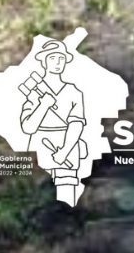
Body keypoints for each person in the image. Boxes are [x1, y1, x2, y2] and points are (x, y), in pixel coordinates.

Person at [20, 38, 86, 206]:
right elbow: (28, 126)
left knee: (66, 194)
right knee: (40, 197)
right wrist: (43, 105)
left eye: (61, 59)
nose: (57, 63)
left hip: (68, 146)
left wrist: (65, 150)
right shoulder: (34, 93)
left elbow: (76, 123)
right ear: (44, 62)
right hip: (41, 147)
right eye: (52, 58)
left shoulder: (73, 91)